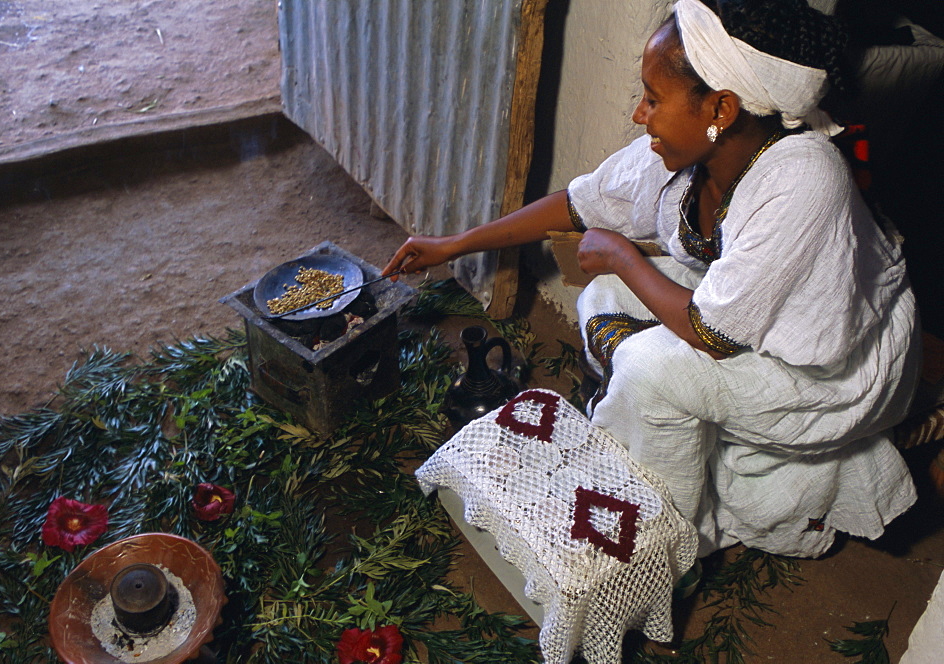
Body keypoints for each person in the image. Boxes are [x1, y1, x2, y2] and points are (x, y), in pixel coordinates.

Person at [382, 0, 920, 559]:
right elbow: (577, 205)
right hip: (746, 317)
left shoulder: (805, 178)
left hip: (832, 369)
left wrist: (622, 255)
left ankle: (665, 545)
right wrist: (453, 244)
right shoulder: (688, 156)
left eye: (654, 100)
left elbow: (711, 333)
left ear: (721, 108)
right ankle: (656, 428)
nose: (641, 115)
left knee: (647, 365)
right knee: (603, 297)